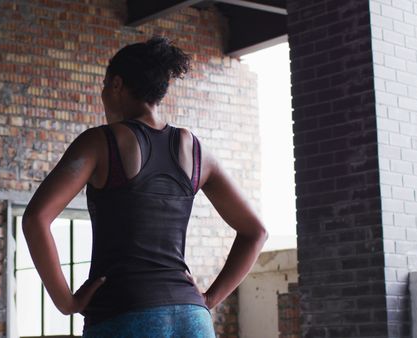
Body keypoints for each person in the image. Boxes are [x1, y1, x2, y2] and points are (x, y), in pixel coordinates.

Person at [22, 36, 268, 337]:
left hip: (125, 313)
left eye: (103, 85)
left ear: (116, 85)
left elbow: (36, 218)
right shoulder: (197, 152)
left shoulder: (100, 143)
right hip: (193, 320)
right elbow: (256, 232)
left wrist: (66, 302)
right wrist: (208, 299)